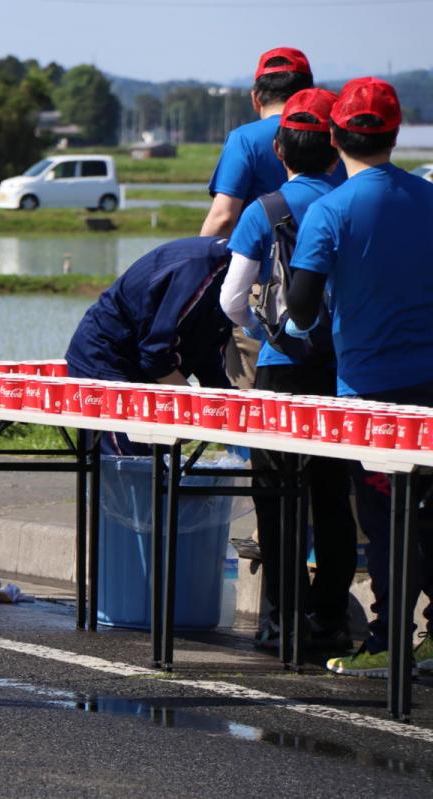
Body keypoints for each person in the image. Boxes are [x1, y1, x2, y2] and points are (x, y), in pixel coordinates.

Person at [285, 77, 433, 677]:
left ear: (336, 135)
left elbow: (299, 307)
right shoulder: (428, 198)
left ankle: (389, 639)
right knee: (431, 512)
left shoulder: (331, 210)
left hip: (369, 390)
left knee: (383, 521)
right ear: (395, 134)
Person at [219, 88, 355, 653]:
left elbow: (230, 298)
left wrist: (262, 329)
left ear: (279, 151)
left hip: (279, 370)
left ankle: (283, 624)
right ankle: (330, 619)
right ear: (335, 150)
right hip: (344, 369)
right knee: (333, 494)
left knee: (276, 496)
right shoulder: (353, 201)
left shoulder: (266, 209)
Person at [201, 47, 321, 390]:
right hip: (328, 294)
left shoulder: (245, 139)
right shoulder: (331, 139)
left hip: (262, 290)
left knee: (257, 403)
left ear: (256, 98)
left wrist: (196, 273)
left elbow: (223, 217)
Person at [65, 236, 233, 455]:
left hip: (147, 369)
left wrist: (228, 406)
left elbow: (209, 355)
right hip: (107, 357)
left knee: (157, 466)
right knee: (127, 461)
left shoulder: (231, 283)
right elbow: (155, 356)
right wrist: (191, 406)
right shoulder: (204, 268)